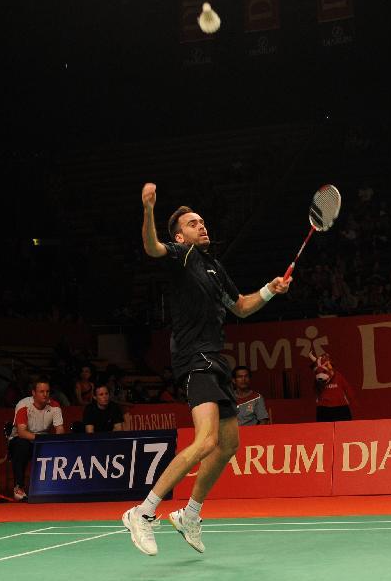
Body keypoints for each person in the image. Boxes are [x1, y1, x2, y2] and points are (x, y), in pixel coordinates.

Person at [122, 183, 290, 557]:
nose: (203, 226)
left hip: (216, 359)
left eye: (203, 221)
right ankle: (143, 512)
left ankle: (190, 515)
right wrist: (148, 209)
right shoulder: (182, 256)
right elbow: (152, 248)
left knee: (229, 444)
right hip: (192, 358)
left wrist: (269, 290)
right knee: (206, 440)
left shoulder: (215, 267)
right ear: (181, 235)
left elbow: (241, 306)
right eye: (193, 223)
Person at [8, 378, 65, 501]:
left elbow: (60, 429)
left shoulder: (54, 405)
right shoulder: (23, 405)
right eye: (41, 391)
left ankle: (55, 487)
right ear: (33, 393)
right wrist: (43, 439)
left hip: (42, 440)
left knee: (60, 445)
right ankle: (19, 487)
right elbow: (22, 433)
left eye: (47, 391)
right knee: (21, 446)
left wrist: (56, 441)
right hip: (21, 439)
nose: (45, 394)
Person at [311, 353, 356, 422]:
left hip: (340, 407)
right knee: (324, 430)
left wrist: (352, 400)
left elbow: (347, 388)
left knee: (345, 429)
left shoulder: (338, 376)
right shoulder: (317, 381)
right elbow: (315, 391)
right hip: (324, 408)